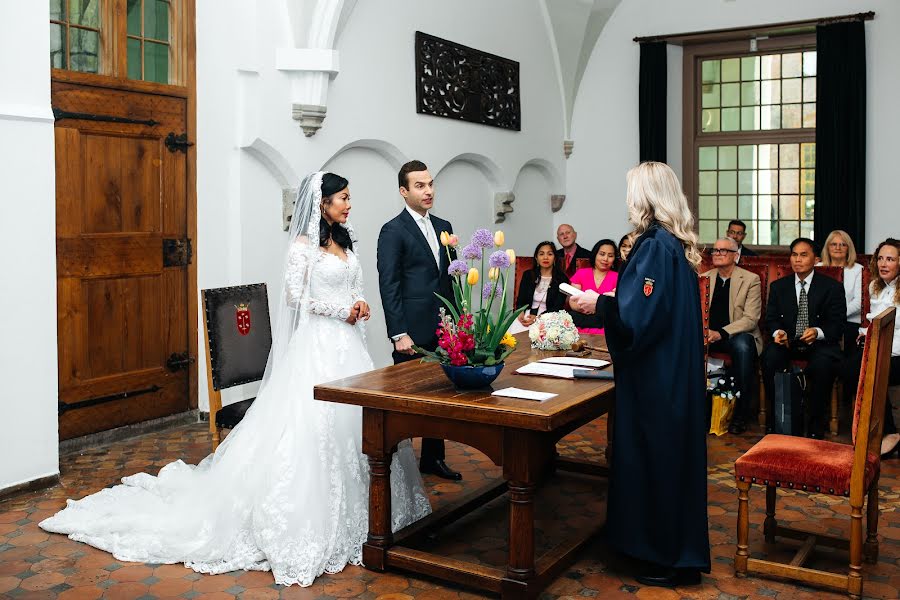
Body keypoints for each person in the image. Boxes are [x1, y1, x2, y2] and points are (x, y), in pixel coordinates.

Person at [39, 172, 431, 587]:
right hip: (317, 348)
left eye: (350, 198)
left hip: (349, 349)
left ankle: (373, 513)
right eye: (343, 199)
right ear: (321, 203)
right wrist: (339, 312)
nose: (349, 205)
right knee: (315, 430)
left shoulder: (346, 242)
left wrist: (360, 303)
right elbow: (296, 299)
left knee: (360, 426)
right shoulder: (303, 248)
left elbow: (356, 284)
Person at [569, 162, 709, 587]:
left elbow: (637, 319)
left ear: (645, 197)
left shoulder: (653, 247)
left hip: (656, 379)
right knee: (671, 462)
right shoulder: (674, 246)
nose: (628, 201)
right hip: (675, 372)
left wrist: (598, 306)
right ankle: (673, 552)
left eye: (632, 192)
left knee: (656, 461)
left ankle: (664, 558)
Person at [377, 160, 461, 481]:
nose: (428, 191)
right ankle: (398, 466)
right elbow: (390, 283)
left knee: (439, 396)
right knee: (407, 402)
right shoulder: (393, 230)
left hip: (442, 325)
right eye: (420, 186)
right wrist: (399, 332)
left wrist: (455, 321)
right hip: (410, 331)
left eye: (430, 184)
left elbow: (451, 277)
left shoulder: (444, 226)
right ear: (404, 191)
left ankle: (432, 459)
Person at [761, 238, 846, 438]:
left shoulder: (831, 287)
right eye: (794, 254)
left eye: (803, 255)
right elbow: (771, 320)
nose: (797, 260)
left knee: (823, 364)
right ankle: (778, 422)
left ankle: (816, 427)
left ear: (816, 259)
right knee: (770, 358)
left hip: (819, 344)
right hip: (788, 342)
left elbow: (837, 325)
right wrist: (777, 333)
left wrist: (817, 332)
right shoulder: (779, 286)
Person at [842, 238, 900, 458]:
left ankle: (889, 433)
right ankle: (867, 428)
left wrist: (874, 349)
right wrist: (864, 334)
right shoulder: (875, 286)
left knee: (869, 372)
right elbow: (876, 322)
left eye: (891, 259)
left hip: (896, 354)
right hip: (878, 348)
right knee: (848, 370)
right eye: (881, 258)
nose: (884, 264)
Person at [702, 237, 763, 434]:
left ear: (736, 256)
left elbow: (751, 319)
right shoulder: (704, 278)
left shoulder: (750, 279)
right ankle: (698, 411)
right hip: (708, 335)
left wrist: (720, 333)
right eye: (715, 250)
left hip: (736, 335)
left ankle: (741, 414)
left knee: (743, 345)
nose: (717, 254)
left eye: (723, 251)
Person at [818, 229, 864, 352]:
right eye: (834, 244)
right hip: (818, 322)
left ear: (849, 248)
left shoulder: (859, 270)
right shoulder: (817, 268)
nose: (838, 247)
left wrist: (835, 316)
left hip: (849, 322)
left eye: (843, 244)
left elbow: (859, 302)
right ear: (827, 247)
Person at [511, 241, 570, 333]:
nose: (545, 257)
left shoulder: (562, 279)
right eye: (541, 254)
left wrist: (538, 318)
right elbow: (520, 301)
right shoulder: (528, 275)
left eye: (550, 254)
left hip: (549, 317)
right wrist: (520, 312)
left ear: (555, 258)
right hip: (527, 314)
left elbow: (557, 307)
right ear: (536, 258)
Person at [569, 239, 619, 335]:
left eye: (610, 256)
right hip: (580, 321)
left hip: (604, 325)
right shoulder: (581, 273)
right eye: (602, 254)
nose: (605, 259)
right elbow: (572, 300)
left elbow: (617, 305)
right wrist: (583, 309)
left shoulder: (618, 277)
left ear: (614, 259)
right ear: (595, 254)